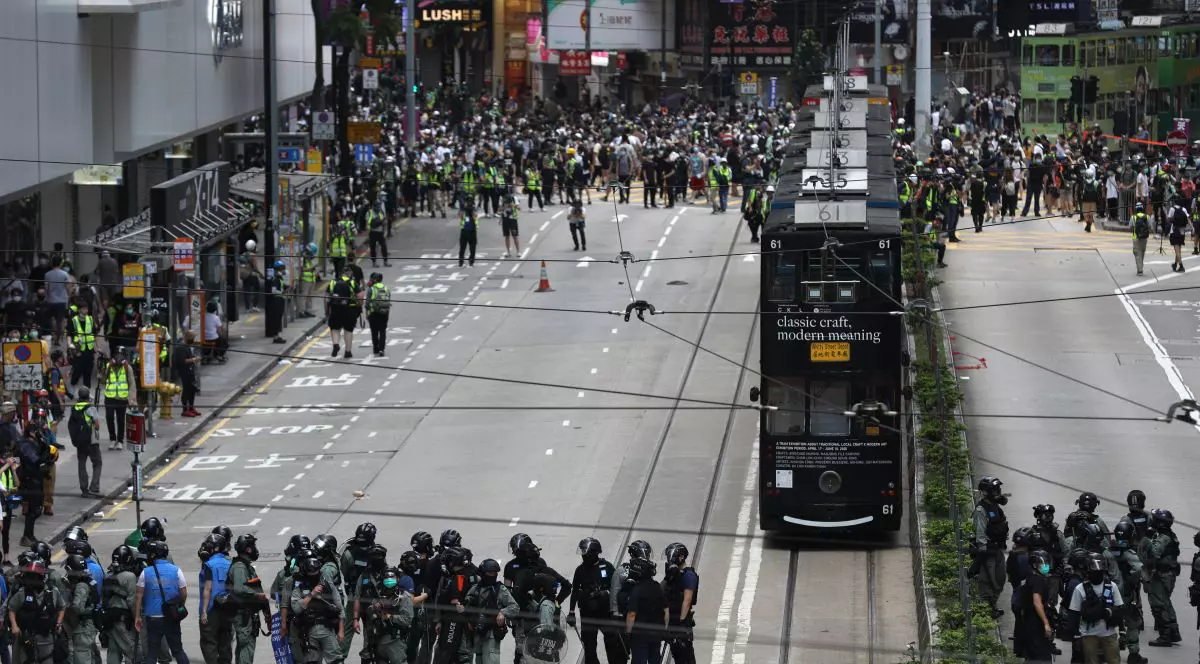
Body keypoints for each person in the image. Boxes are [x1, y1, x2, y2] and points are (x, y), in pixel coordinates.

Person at [567, 538, 625, 664]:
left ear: (594, 553)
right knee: (589, 647)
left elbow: (617, 588)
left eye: (585, 552)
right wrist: (571, 612)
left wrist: (605, 593)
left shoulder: (607, 567)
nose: (583, 555)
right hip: (587, 615)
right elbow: (575, 591)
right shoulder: (580, 570)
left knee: (612, 643)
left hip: (605, 613)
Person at [134, 539, 191, 664]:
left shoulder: (145, 572)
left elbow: (138, 596)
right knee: (178, 651)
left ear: (153, 555)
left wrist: (137, 617)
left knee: (152, 654)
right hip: (171, 617)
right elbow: (184, 593)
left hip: (153, 619)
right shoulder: (177, 570)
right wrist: (179, 607)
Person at [1065, 553, 1123, 664]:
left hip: (1109, 634)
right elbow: (1074, 614)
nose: (1097, 574)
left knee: (1114, 661)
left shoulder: (1112, 586)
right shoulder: (1080, 589)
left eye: (1100, 571)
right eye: (1094, 571)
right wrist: (1076, 636)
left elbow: (1119, 609)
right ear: (1087, 571)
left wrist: (1122, 631)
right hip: (1088, 634)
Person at [8, 559, 65, 664]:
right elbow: (12, 609)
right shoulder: (22, 593)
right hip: (28, 637)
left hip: (47, 638)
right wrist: (14, 626)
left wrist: (59, 623)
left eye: (34, 576)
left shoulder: (53, 592)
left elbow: (62, 607)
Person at [464, 558, 517, 664]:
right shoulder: (475, 589)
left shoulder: (500, 589)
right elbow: (466, 606)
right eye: (489, 572)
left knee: (491, 661)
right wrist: (469, 620)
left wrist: (502, 613)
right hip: (477, 632)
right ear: (483, 573)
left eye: (494, 573)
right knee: (478, 660)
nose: (492, 575)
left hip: (491, 632)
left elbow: (514, 607)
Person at [227, 534, 270, 664]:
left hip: (247, 614)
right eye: (253, 546)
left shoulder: (246, 566)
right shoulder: (240, 567)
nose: (255, 549)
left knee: (243, 647)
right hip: (243, 615)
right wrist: (257, 595)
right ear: (248, 549)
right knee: (246, 648)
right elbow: (239, 589)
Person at [972, 475, 1009, 618]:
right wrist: (983, 553)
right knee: (987, 581)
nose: (998, 492)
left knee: (999, 580)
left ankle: (992, 605)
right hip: (988, 551)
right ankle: (984, 612)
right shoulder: (981, 509)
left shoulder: (996, 507)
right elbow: (980, 534)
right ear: (986, 492)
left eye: (998, 489)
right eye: (994, 489)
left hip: (998, 549)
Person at [1144, 508, 1182, 647]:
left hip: (1162, 575)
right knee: (1166, 603)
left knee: (1159, 605)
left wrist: (1147, 539)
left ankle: (1165, 636)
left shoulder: (1163, 538)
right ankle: (1173, 632)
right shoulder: (1169, 535)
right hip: (1168, 574)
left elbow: (1153, 554)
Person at [1110, 520, 1146, 663]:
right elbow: (1138, 571)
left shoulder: (1107, 551)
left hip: (1109, 595)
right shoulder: (1130, 555)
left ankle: (1102, 651)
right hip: (1126, 595)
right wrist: (1131, 580)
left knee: (1106, 622)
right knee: (1133, 622)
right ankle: (1133, 654)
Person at [1015, 549, 1055, 663]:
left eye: (1047, 563)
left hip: (1027, 622)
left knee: (1031, 656)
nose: (1046, 566)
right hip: (1036, 624)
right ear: (1034, 565)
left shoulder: (1029, 579)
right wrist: (1046, 623)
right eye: (1043, 563)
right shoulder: (1039, 581)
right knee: (1041, 657)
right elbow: (1037, 602)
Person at [197, 533, 232, 664]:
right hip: (227, 608)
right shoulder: (230, 563)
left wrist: (204, 611)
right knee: (225, 643)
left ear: (216, 548)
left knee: (208, 643)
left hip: (211, 610)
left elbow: (208, 588)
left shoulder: (209, 564)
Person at [660, 543, 698, 664]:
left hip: (681, 623)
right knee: (678, 656)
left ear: (680, 557)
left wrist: (681, 623)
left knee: (687, 656)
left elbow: (687, 601)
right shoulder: (673, 575)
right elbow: (662, 591)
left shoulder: (689, 575)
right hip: (672, 621)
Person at [103, 545, 140, 664]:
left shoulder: (108, 575)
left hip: (109, 618)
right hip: (123, 621)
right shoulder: (130, 577)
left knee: (113, 651)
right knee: (133, 651)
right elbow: (132, 601)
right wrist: (137, 619)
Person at [624, 557, 664, 664]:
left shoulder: (636, 590)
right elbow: (666, 610)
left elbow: (632, 614)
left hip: (640, 635)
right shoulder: (657, 587)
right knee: (655, 660)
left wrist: (628, 633)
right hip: (656, 633)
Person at [64, 553, 100, 664]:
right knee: (91, 655)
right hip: (88, 625)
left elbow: (77, 608)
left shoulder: (81, 585)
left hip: (83, 627)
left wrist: (65, 608)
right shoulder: (88, 580)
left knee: (82, 656)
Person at [67, 387, 101, 498]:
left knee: (82, 464)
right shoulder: (91, 408)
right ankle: (94, 487)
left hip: (79, 442)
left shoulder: (74, 408)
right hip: (91, 441)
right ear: (88, 397)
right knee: (97, 463)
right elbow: (97, 426)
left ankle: (84, 489)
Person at [100, 352, 134, 451]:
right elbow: (102, 380)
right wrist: (107, 368)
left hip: (122, 398)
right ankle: (112, 439)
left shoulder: (127, 368)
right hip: (110, 397)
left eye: (121, 355)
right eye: (117, 355)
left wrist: (131, 398)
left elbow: (132, 383)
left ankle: (120, 441)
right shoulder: (108, 366)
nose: (119, 358)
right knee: (109, 418)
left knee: (121, 420)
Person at [325, 272, 358, 360]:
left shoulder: (332, 282)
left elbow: (327, 298)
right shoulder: (352, 282)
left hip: (335, 309)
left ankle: (336, 344)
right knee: (348, 330)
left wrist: (327, 311)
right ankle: (348, 351)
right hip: (350, 310)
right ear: (349, 274)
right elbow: (360, 296)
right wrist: (359, 308)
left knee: (335, 328)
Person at [67, 302, 97, 389]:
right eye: (84, 309)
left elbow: (94, 334)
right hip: (78, 350)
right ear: (79, 310)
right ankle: (72, 388)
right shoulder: (73, 320)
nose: (86, 311)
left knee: (88, 371)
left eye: (86, 309)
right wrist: (70, 346)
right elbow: (69, 335)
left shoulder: (90, 319)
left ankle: (87, 391)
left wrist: (97, 347)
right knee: (77, 370)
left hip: (89, 349)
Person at [174, 331, 201, 418]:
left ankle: (191, 408)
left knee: (192, 390)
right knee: (186, 390)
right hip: (184, 372)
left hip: (190, 371)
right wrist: (194, 359)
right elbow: (183, 361)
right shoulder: (181, 347)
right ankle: (185, 410)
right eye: (192, 338)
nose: (193, 340)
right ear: (188, 337)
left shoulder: (187, 346)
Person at [365, 274, 391, 358]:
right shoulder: (386, 288)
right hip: (384, 313)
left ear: (374, 280)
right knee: (383, 331)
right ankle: (381, 349)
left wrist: (367, 313)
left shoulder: (371, 289)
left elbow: (367, 303)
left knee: (374, 331)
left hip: (373, 313)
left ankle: (376, 348)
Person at [265, 261, 287, 345]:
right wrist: (282, 292)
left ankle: (277, 336)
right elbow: (273, 291)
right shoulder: (275, 278)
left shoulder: (279, 278)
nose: (283, 270)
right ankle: (275, 337)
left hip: (280, 300)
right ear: (278, 269)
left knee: (278, 319)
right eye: (282, 268)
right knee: (276, 319)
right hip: (277, 301)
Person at [1131, 202, 1152, 276]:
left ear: (1136, 209)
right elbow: (1150, 227)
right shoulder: (1147, 217)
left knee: (1137, 253)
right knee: (1142, 252)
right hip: (1144, 237)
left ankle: (1139, 270)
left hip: (1135, 237)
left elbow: (1130, 227)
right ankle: (1141, 268)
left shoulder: (1133, 217)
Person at [459, 203, 479, 268]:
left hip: (467, 230)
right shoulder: (468, 210)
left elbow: (461, 216)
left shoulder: (464, 209)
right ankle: (468, 261)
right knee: (469, 247)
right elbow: (461, 216)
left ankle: (462, 262)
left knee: (465, 247)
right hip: (468, 230)